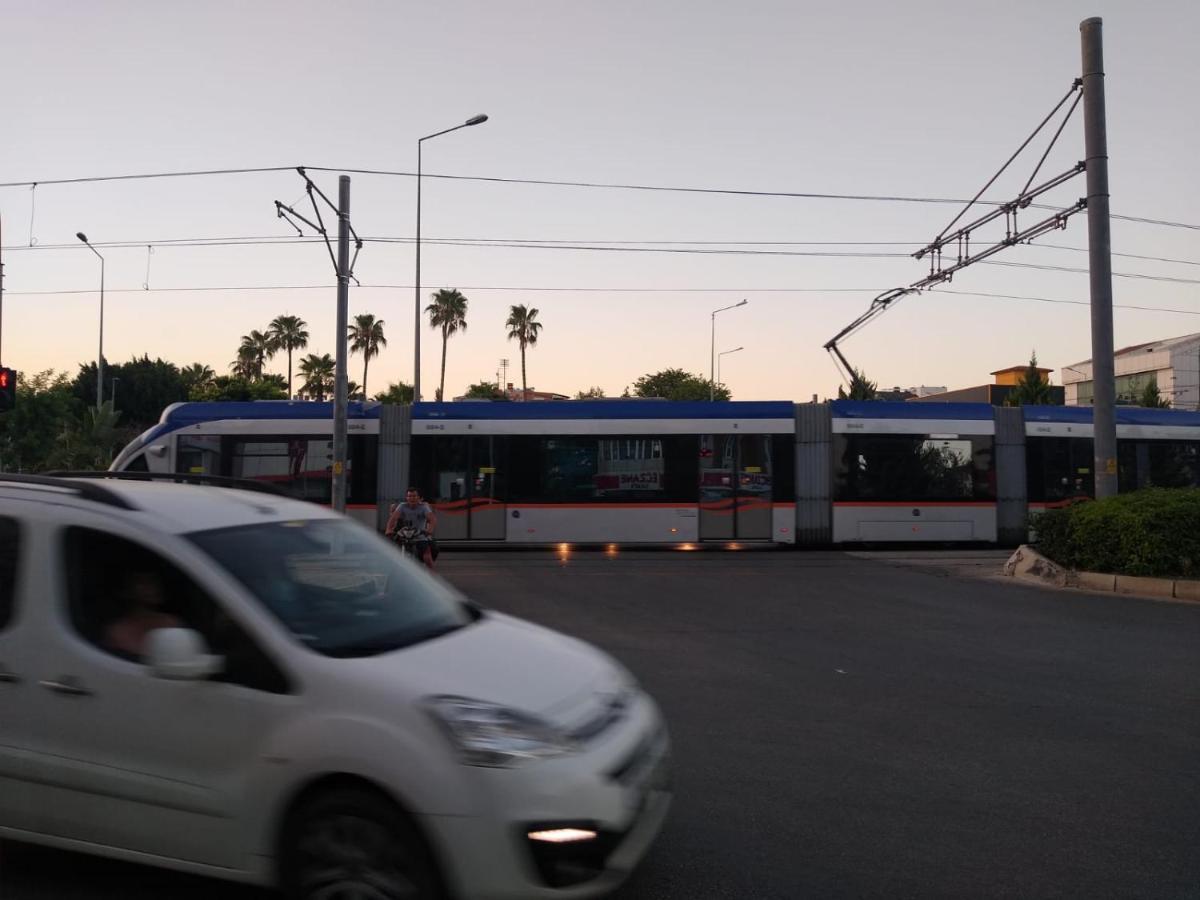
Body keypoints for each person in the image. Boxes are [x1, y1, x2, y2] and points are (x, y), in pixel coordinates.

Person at [104, 570, 182, 660]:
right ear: (127, 591)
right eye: (143, 582)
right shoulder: (117, 632)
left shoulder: (171, 624)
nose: (152, 588)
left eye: (154, 582)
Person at [385, 488, 438, 568]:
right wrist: (388, 529)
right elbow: (393, 518)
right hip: (404, 534)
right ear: (406, 498)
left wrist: (429, 530)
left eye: (414, 496)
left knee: (427, 557)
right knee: (392, 552)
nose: (412, 498)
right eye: (409, 496)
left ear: (418, 497)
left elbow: (432, 519)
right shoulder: (402, 506)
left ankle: (432, 576)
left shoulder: (424, 507)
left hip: (420, 535)